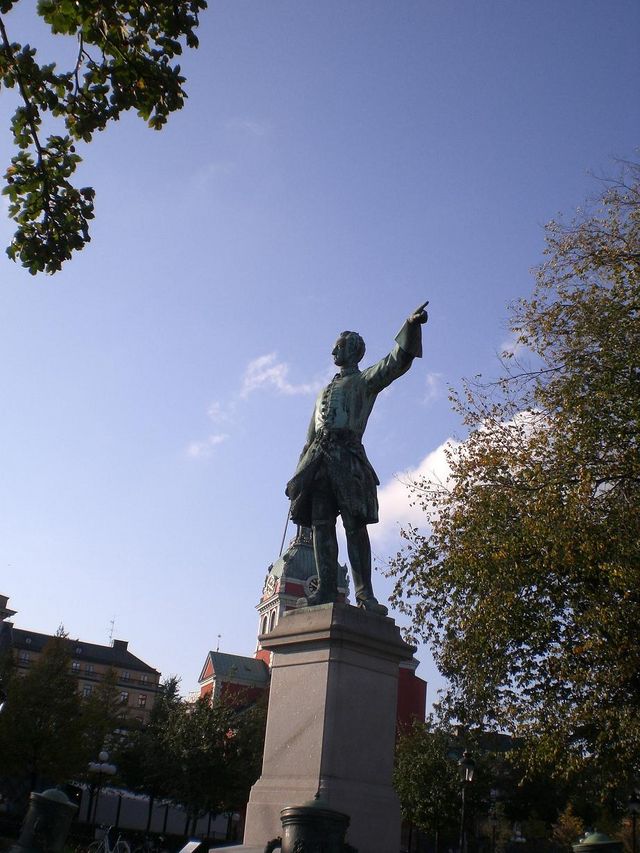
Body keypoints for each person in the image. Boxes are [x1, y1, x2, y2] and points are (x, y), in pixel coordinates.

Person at [286, 301, 429, 615]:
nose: (332, 352)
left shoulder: (364, 381)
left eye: (337, 347)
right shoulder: (323, 391)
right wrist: (300, 472)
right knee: (322, 526)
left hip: (348, 458)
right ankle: (325, 589)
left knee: (354, 526)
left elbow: (396, 361)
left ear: (352, 352)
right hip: (318, 461)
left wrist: (411, 326)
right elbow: (310, 435)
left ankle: (365, 596)